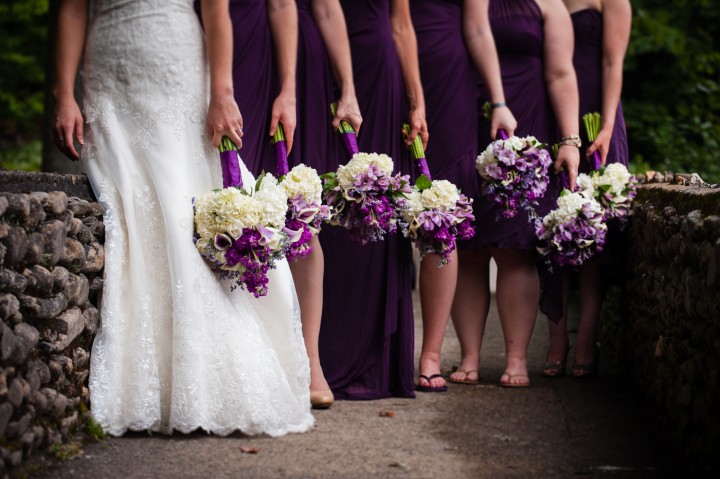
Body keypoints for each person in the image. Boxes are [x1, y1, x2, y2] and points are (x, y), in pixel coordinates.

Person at [53, 0, 314, 436]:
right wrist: (64, 92)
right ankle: (147, 376)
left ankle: (204, 372)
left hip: (175, 65)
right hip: (108, 75)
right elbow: (73, 8)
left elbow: (216, 11)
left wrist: (222, 93)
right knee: (132, 211)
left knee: (182, 202)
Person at [450, 0, 581, 387]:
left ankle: (517, 358)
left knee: (516, 247)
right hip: (465, 116)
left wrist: (570, 140)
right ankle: (469, 356)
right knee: (468, 248)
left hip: (526, 124)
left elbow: (560, 73)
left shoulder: (549, 5)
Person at [317, 0, 427, 400]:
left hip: (379, 73)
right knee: (326, 208)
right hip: (316, 59)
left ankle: (371, 358)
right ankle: (321, 355)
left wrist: (417, 101)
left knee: (373, 207)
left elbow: (402, 23)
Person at [409, 0, 517, 392]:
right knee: (378, 201)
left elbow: (477, 27)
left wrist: (499, 102)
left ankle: (431, 355)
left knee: (442, 213)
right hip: (386, 64)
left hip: (448, 81)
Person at [542, 0, 632, 379]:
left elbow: (613, 62)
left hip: (599, 119)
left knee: (596, 237)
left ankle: (586, 341)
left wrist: (608, 126)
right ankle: (557, 339)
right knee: (551, 233)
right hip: (553, 115)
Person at [286, 0, 363, 409]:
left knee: (301, 214)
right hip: (229, 45)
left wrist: (347, 90)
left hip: (301, 62)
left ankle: (311, 360)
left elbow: (328, 8)